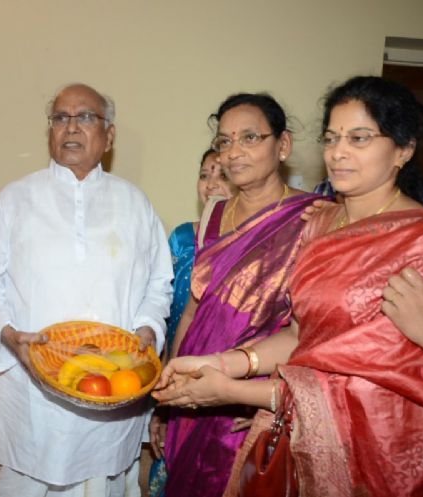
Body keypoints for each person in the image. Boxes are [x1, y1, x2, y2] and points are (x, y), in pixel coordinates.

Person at [154, 76, 423, 497]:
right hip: (306, 448)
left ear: (404, 149)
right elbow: (299, 337)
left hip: (393, 455)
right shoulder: (319, 225)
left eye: (359, 138)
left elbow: (364, 380)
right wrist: (222, 364)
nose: (338, 152)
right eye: (331, 138)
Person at [0, 83, 173, 497]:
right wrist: (9, 336)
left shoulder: (135, 204)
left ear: (109, 136)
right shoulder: (15, 199)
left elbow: (159, 284)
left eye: (85, 117)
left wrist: (148, 328)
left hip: (112, 393)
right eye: (60, 117)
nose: (71, 127)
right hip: (30, 397)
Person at [154, 93, 320, 497]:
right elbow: (193, 311)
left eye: (249, 137)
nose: (233, 152)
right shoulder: (214, 212)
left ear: (282, 145)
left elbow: (314, 332)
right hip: (194, 384)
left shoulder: (312, 219)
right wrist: (170, 391)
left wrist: (269, 399)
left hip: (250, 397)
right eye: (224, 141)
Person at [148, 149, 234, 497]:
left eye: (222, 174)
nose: (211, 184)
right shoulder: (183, 239)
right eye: (204, 175)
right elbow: (168, 317)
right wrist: (162, 402)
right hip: (180, 384)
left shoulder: (262, 248)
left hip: (234, 392)